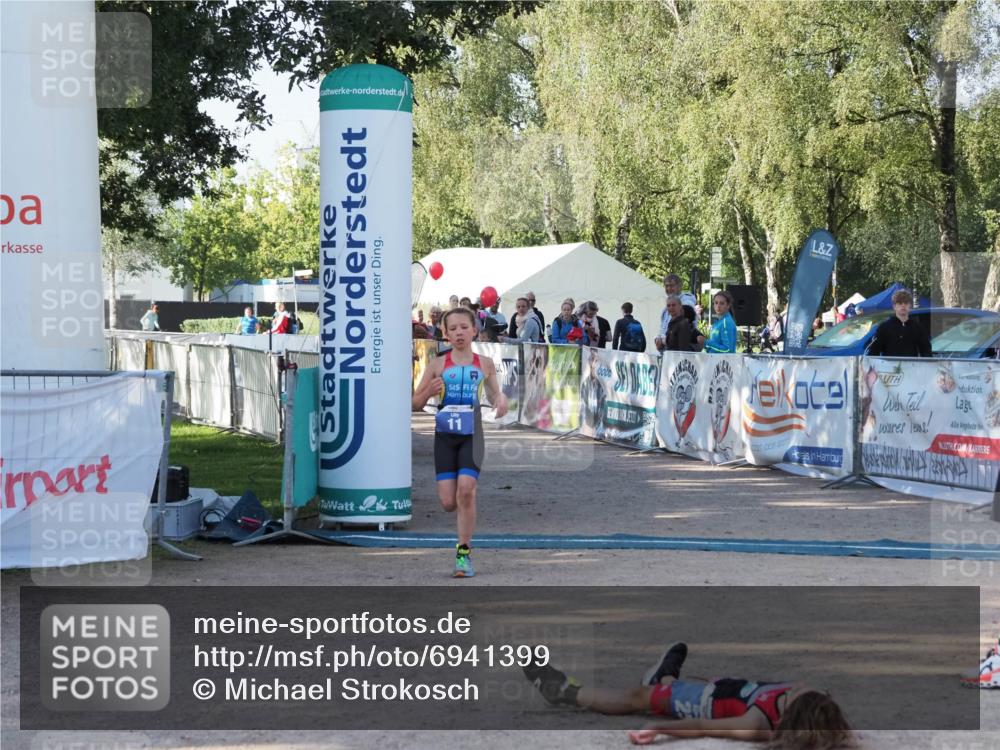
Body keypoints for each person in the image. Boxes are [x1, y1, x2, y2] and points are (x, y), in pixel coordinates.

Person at [523, 643, 854, 749]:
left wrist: (660, 729)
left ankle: (564, 691)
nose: (800, 685)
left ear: (790, 714)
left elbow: (704, 727)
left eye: (797, 693)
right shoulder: (815, 702)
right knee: (667, 685)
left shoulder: (757, 722)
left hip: (700, 703)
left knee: (637, 696)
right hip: (728, 687)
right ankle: (664, 676)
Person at [411, 307, 507, 578]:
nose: (459, 333)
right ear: (445, 333)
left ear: (474, 330)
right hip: (445, 437)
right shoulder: (437, 364)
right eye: (452, 329)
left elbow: (495, 394)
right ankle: (461, 511)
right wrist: (427, 393)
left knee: (467, 490)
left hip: (472, 436)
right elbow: (414, 403)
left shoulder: (484, 364)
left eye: (464, 327)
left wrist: (501, 400)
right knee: (448, 502)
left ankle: (463, 554)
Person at [866, 289, 932, 357]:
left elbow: (926, 352)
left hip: (911, 363)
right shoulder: (884, 327)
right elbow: (873, 352)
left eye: (906, 303)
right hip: (888, 363)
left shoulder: (918, 328)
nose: (903, 305)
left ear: (910, 306)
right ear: (894, 306)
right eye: (900, 303)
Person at [657, 275, 703, 352]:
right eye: (667, 286)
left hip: (679, 350)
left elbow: (686, 314)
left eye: (672, 285)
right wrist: (658, 338)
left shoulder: (687, 300)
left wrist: (664, 340)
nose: (669, 288)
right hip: (667, 350)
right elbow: (663, 328)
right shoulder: (665, 310)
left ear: (679, 286)